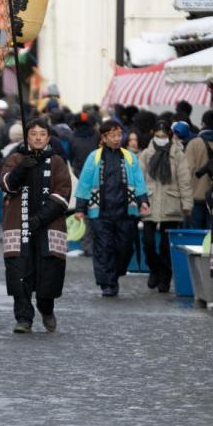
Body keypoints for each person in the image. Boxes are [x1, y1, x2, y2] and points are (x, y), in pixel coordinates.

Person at [0, 117, 71, 333]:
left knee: (48, 271)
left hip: (48, 226)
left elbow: (63, 193)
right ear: (27, 137)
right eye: (33, 133)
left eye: (42, 134)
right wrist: (22, 168)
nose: (38, 137)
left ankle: (46, 307)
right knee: (19, 271)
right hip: (19, 224)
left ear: (48, 137)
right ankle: (23, 318)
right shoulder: (16, 157)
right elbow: (5, 184)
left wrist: (41, 218)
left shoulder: (57, 161)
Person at [74, 118, 150, 297]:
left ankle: (114, 274)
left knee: (124, 247)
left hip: (126, 210)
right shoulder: (95, 157)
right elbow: (84, 183)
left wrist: (143, 201)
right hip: (100, 211)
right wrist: (80, 208)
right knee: (104, 247)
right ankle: (107, 282)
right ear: (104, 137)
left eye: (119, 135)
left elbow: (139, 181)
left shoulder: (129, 157)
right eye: (112, 135)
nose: (117, 138)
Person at [139, 115, 193, 293]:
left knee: (165, 245)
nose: (160, 139)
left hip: (171, 202)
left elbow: (184, 180)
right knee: (147, 241)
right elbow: (139, 179)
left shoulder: (178, 153)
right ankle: (154, 269)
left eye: (164, 136)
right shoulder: (146, 154)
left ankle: (165, 276)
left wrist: (187, 204)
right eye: (158, 135)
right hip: (150, 201)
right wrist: (137, 201)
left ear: (169, 135)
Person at [183, 110, 213, 229]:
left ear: (203, 124)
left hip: (196, 196)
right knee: (212, 235)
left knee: (195, 234)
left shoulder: (194, 143)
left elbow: (187, 170)